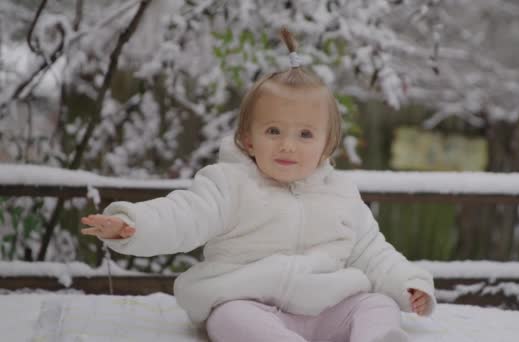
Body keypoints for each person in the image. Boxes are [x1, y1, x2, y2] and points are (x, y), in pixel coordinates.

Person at [81, 27, 435, 342]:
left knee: (375, 304)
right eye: (273, 131)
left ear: (327, 145)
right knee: (230, 319)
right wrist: (133, 225)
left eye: (305, 134)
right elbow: (182, 215)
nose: (287, 145)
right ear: (248, 140)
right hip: (248, 304)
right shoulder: (229, 184)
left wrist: (409, 284)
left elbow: (373, 253)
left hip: (327, 308)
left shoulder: (340, 194)